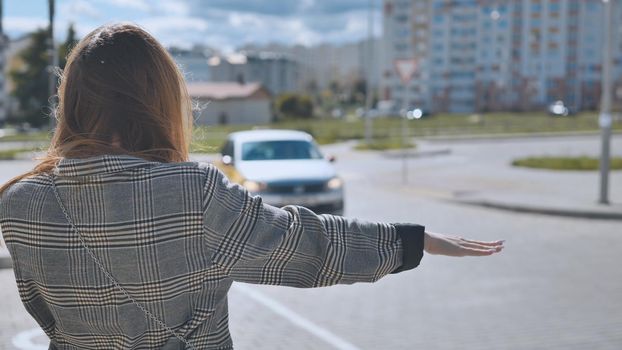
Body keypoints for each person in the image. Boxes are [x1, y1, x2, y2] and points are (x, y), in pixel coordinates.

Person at [0, 23, 504, 350]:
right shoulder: (189, 192)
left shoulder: (19, 204)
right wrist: (410, 241)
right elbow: (305, 247)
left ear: (72, 100)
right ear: (160, 100)